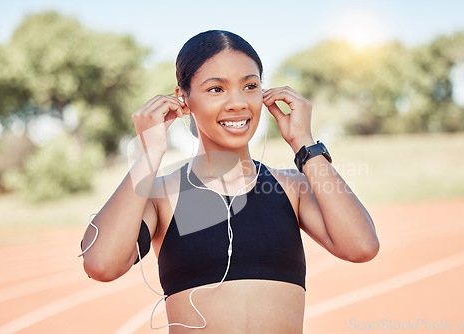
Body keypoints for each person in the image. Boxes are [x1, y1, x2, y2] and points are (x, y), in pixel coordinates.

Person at [80, 30, 379, 333]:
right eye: (216, 89)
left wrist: (304, 143)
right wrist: (149, 154)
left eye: (250, 86)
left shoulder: (293, 188)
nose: (237, 102)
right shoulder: (160, 196)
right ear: (183, 99)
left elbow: (362, 247)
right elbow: (101, 265)